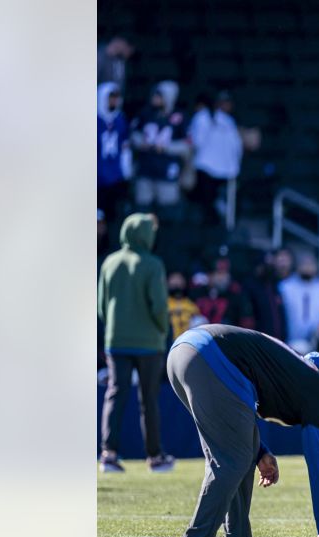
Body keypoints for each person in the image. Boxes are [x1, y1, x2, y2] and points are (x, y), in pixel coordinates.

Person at [166, 324, 319, 537]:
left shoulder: (304, 371)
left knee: (241, 455)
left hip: (184, 352)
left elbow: (241, 403)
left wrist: (260, 451)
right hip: (210, 357)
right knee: (232, 460)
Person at [98, 213, 175, 474]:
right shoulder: (152, 264)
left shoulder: (109, 262)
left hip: (115, 340)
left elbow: (101, 306)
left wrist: (113, 329)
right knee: (148, 399)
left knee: (115, 393)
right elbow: (158, 307)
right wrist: (163, 332)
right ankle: (155, 457)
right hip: (148, 344)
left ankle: (108, 454)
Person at [131, 81, 188, 214]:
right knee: (142, 210)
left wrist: (166, 148)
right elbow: (133, 134)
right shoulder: (145, 113)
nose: (155, 98)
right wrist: (141, 143)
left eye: (159, 96)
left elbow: (186, 145)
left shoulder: (180, 117)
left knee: (166, 211)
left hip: (166, 171)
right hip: (145, 169)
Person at [187, 91, 243, 226]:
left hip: (225, 174)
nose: (227, 106)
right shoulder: (202, 117)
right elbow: (196, 142)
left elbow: (236, 147)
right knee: (204, 209)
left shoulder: (229, 121)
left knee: (221, 210)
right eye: (223, 102)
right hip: (205, 170)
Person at [278, 252, 319, 354]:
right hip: (289, 343)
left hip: (317, 346)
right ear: (297, 266)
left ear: (316, 266)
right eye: (304, 264)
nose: (307, 267)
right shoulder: (285, 287)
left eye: (311, 264)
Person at [97, 82, 131, 227]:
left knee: (112, 217)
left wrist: (126, 170)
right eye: (111, 97)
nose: (114, 101)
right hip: (97, 176)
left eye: (116, 98)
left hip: (115, 175)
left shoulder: (120, 119)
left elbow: (125, 146)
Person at [191, 257, 256, 329]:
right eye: (219, 273)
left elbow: (247, 324)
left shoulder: (236, 296)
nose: (222, 278)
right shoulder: (198, 294)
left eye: (225, 273)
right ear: (210, 276)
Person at [166, 271, 204, 343]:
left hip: (187, 342)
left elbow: (199, 322)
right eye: (173, 279)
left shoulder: (191, 304)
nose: (176, 282)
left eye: (179, 279)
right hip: (167, 342)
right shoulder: (164, 303)